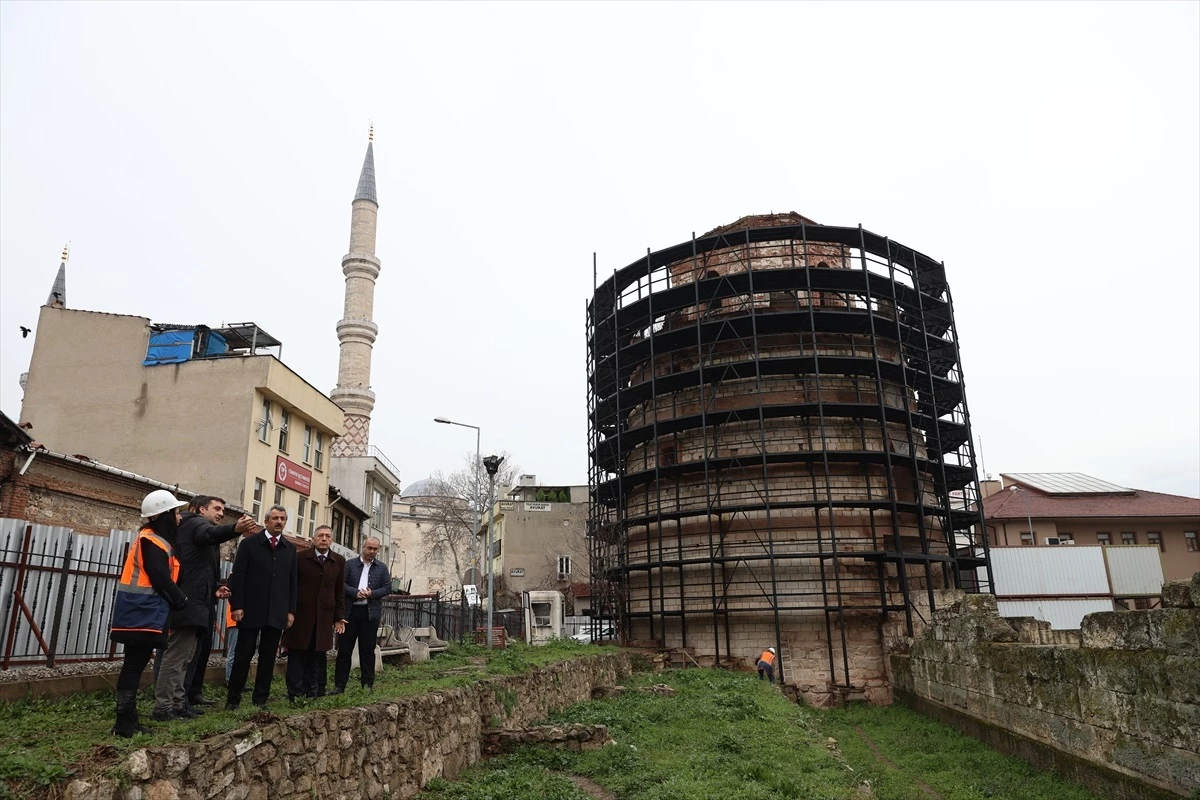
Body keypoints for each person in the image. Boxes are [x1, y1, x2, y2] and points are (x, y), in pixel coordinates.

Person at [153, 495, 256, 720]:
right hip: (188, 603)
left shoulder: (195, 528)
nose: (221, 513)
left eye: (223, 509)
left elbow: (202, 568)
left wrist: (215, 588)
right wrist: (235, 528)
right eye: (216, 509)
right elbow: (209, 534)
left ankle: (179, 703)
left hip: (198, 602)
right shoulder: (195, 523)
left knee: (186, 658)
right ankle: (163, 708)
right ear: (201, 509)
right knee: (176, 657)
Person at [109, 490, 189, 737]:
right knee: (134, 665)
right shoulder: (151, 540)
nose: (179, 517)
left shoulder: (155, 539)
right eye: (176, 512)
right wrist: (181, 600)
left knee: (135, 663)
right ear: (163, 515)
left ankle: (128, 719)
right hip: (141, 610)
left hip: (144, 610)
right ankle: (124, 722)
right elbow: (159, 577)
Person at [225, 505, 297, 710]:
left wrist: (291, 610)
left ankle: (260, 699)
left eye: (283, 518)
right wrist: (237, 605)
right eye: (275, 518)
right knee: (243, 655)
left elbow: (292, 582)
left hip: (276, 612)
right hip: (250, 609)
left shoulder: (289, 549)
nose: (279, 522)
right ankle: (233, 699)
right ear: (266, 521)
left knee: (267, 658)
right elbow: (238, 577)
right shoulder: (249, 544)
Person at [283, 525, 346, 703]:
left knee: (317, 654)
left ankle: (314, 690)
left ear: (332, 540)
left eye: (327, 536)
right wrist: (289, 611)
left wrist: (339, 617)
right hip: (301, 614)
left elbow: (339, 590)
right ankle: (295, 693)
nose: (324, 539)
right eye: (320, 535)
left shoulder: (338, 561)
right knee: (297, 653)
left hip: (325, 615)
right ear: (313, 539)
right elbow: (291, 585)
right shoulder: (300, 557)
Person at [332, 537, 391, 694]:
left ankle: (367, 685)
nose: (372, 552)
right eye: (369, 548)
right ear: (363, 547)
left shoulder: (382, 568)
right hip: (349, 613)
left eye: (375, 549)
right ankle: (339, 686)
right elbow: (341, 585)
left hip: (370, 614)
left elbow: (387, 588)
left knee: (367, 651)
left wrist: (371, 594)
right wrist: (356, 593)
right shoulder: (349, 564)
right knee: (344, 650)